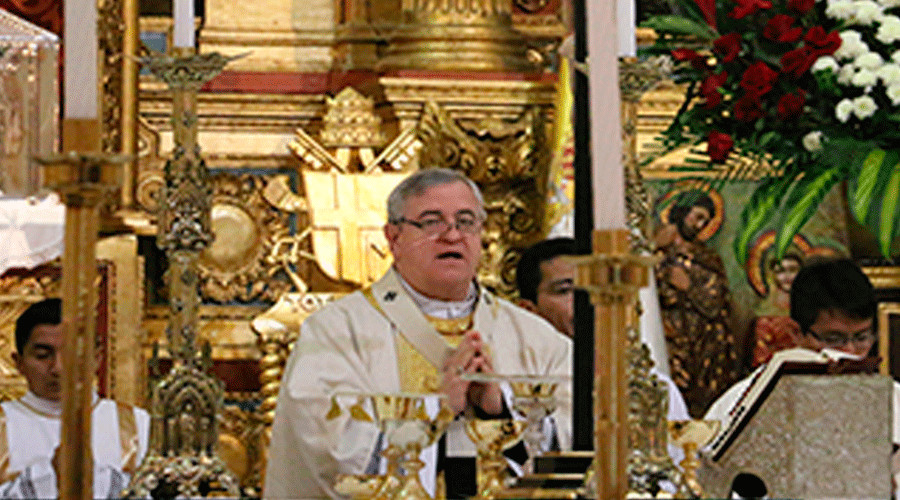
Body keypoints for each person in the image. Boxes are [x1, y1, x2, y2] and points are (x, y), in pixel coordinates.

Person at [264, 168, 572, 499]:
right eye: (431, 222)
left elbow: (577, 453)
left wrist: (502, 410)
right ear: (393, 238)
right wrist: (433, 410)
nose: (452, 236)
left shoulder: (538, 339)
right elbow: (325, 450)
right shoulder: (336, 332)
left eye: (466, 221)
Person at [706, 257, 900, 439]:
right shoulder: (747, 400)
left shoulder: (893, 398)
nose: (849, 352)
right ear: (796, 333)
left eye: (862, 337)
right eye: (834, 339)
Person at [516, 237, 690, 422]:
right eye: (566, 290)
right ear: (529, 311)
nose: (587, 301)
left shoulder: (651, 388)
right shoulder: (516, 387)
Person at [0, 298, 150, 498]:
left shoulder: (136, 426)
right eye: (43, 355)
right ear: (18, 363)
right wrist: (47, 479)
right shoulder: (3, 424)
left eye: (72, 354)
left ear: (96, 358)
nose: (58, 368)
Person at [654, 190, 741, 417]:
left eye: (705, 221)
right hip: (670, 339)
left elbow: (718, 302)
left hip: (705, 346)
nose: (700, 224)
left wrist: (688, 287)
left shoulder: (708, 258)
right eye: (697, 216)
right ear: (683, 211)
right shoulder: (657, 251)